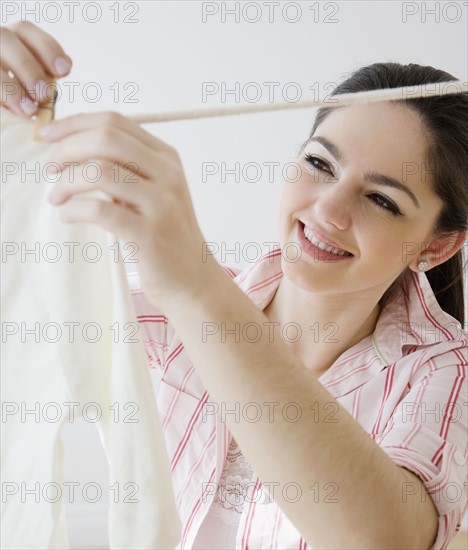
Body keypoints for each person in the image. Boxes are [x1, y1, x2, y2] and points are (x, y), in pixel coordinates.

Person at [1, 20, 467, 550]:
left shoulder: (442, 373)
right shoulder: (151, 308)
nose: (329, 210)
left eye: (383, 200)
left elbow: (385, 539)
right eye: (319, 163)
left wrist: (196, 286)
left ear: (437, 246)